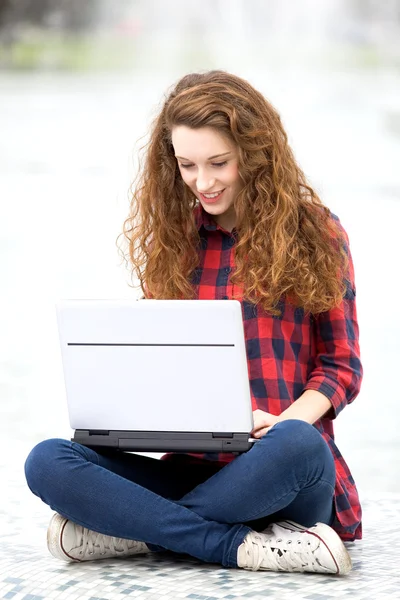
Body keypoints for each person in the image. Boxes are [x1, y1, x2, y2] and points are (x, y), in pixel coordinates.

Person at [24, 70, 362, 575]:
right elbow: (166, 374)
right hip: (198, 475)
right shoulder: (176, 242)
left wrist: (281, 421)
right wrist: (130, 416)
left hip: (283, 471)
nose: (202, 183)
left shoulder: (317, 232)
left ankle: (138, 532)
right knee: (48, 460)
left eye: (218, 163)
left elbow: (342, 368)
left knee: (299, 443)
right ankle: (233, 545)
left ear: (254, 151)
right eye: (187, 166)